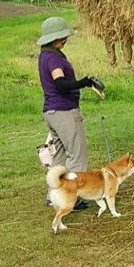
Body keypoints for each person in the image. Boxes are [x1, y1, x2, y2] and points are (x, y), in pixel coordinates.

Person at [36, 16, 103, 210]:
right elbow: (61, 84)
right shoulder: (54, 58)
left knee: (60, 158)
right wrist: (84, 82)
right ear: (54, 39)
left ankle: (54, 196)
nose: (65, 41)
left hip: (51, 112)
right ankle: (72, 198)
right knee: (77, 155)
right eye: (63, 37)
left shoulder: (44, 56)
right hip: (64, 112)